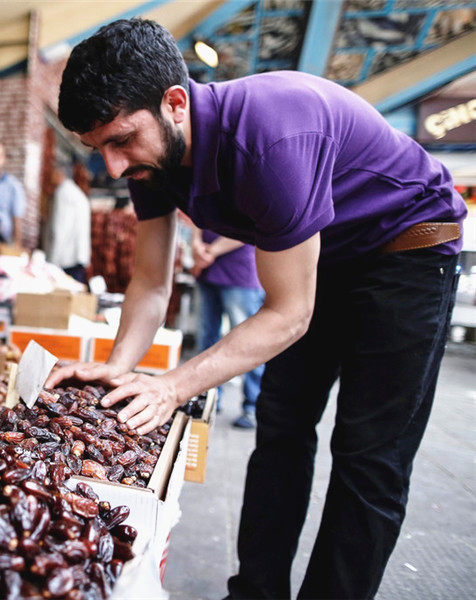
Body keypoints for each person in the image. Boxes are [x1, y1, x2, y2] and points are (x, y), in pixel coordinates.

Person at [48, 18, 465, 599]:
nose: (114, 168)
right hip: (323, 256)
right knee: (281, 431)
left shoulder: (270, 137)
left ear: (174, 103)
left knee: (369, 455)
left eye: (120, 140)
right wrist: (120, 364)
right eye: (99, 150)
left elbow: (290, 314)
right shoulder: (152, 159)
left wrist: (170, 386)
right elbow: (149, 280)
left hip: (407, 249)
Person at [189, 227, 265, 428]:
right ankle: (210, 399)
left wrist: (211, 251)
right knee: (207, 340)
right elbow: (197, 218)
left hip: (238, 272)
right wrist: (196, 244)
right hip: (207, 269)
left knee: (250, 343)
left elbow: (252, 225)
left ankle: (252, 406)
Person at [45, 159, 91, 283]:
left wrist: (51, 262)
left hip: (66, 260)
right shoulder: (78, 193)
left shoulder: (63, 193)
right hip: (78, 258)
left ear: (59, 173)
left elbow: (59, 228)